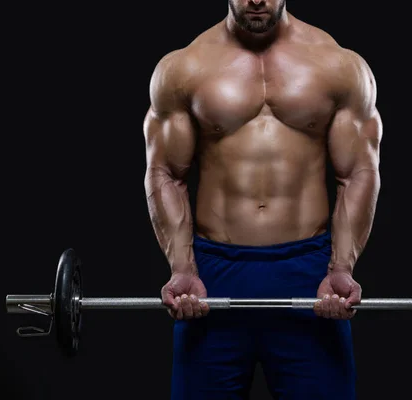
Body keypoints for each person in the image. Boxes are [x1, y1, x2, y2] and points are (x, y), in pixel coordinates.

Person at [143, 0, 382, 398]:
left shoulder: (338, 65)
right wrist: (183, 268)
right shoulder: (183, 69)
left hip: (309, 273)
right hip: (212, 275)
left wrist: (341, 266)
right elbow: (165, 173)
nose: (257, 0)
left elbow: (358, 172)